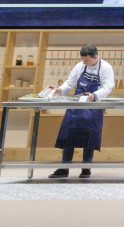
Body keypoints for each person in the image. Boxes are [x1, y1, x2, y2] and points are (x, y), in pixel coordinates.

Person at [47, 45, 114, 179]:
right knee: (68, 135)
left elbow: (108, 87)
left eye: (86, 60)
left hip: (93, 106)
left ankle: (86, 169)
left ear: (95, 57)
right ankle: (64, 168)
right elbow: (69, 82)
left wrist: (94, 95)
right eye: (83, 60)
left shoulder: (106, 67)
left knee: (89, 136)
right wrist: (59, 90)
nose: (84, 62)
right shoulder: (79, 67)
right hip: (76, 105)